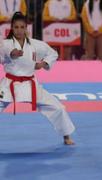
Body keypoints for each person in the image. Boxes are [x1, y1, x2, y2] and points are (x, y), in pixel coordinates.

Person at [0, 12, 75, 145]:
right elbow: (8, 52)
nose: (19, 30)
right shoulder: (5, 44)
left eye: (22, 27)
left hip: (30, 85)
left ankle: (66, 135)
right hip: (9, 85)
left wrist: (44, 63)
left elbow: (53, 53)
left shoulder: (35, 44)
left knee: (58, 107)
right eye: (16, 27)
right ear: (12, 28)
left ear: (26, 28)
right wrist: (14, 53)